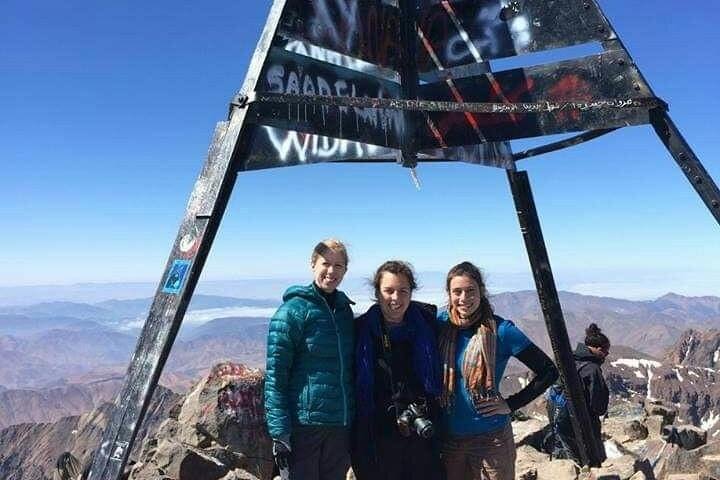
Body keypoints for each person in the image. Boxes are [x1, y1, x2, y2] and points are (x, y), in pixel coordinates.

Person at [437, 262, 558, 480]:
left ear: (481, 291)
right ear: (449, 294)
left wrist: (510, 405)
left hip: (491, 439)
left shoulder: (501, 331)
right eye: (457, 292)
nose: (464, 298)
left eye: (471, 291)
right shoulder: (441, 324)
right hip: (450, 439)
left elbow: (549, 371)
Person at [264, 239, 356, 480]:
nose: (332, 271)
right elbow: (276, 377)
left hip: (339, 425)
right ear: (313, 264)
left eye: (339, 265)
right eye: (326, 263)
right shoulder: (292, 312)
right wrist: (280, 432)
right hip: (304, 427)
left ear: (345, 270)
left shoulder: (344, 311)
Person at [352, 261, 442, 480]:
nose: (396, 298)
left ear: (412, 293)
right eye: (389, 291)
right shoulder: (360, 331)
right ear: (377, 293)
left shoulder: (428, 324)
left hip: (423, 432)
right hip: (377, 435)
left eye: (403, 291)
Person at [545, 323, 610, 464]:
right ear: (598, 349)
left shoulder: (567, 359)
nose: (607, 355)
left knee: (572, 458)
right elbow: (599, 406)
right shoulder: (592, 369)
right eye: (606, 351)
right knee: (593, 461)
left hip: (560, 420)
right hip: (583, 424)